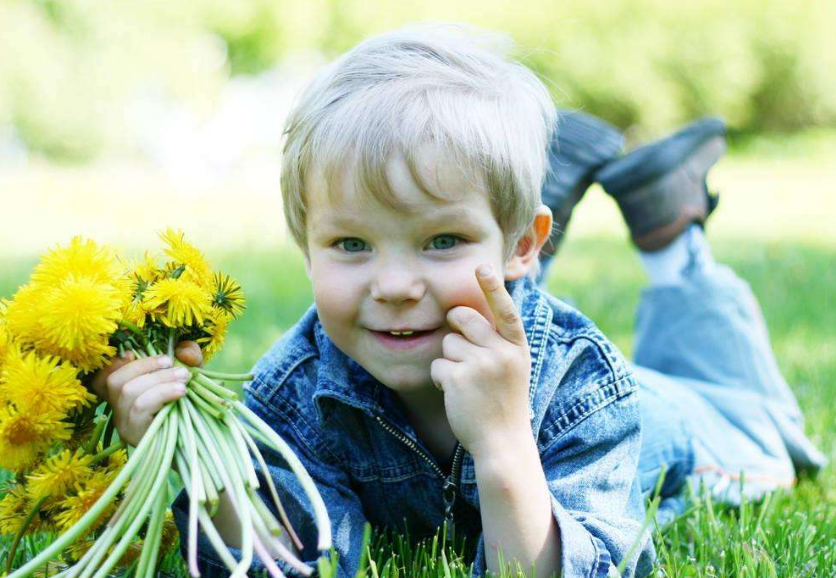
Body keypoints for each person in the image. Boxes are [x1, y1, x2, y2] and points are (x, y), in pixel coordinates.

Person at [90, 23, 824, 578]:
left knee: (766, 431)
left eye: (439, 240)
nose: (395, 284)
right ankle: (489, 235)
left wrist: (505, 441)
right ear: (304, 244)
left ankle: (674, 242)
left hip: (681, 421)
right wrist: (197, 465)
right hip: (498, 298)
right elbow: (292, 561)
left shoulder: (583, 382)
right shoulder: (297, 388)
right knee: (469, 294)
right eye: (352, 245)